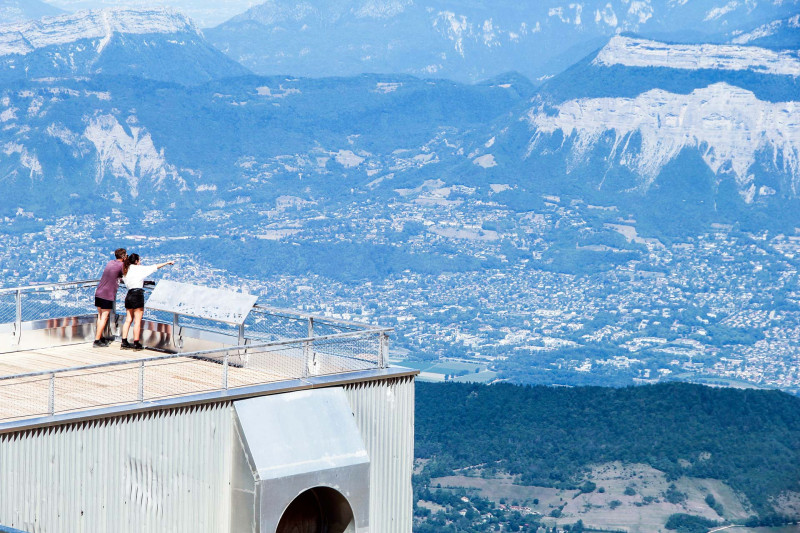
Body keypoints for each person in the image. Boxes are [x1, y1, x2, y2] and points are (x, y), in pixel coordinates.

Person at [120, 254, 175, 350]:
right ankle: (136, 342)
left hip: (129, 295)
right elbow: (155, 267)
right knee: (137, 321)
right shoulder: (140, 269)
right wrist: (167, 262)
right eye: (139, 260)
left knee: (128, 319)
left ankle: (124, 341)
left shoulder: (126, 269)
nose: (140, 261)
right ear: (136, 261)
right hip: (137, 295)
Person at [93, 248, 127, 348]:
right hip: (107, 294)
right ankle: (97, 341)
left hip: (99, 292)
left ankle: (100, 337)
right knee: (104, 317)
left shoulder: (110, 262)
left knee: (100, 316)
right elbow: (126, 275)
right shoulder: (122, 265)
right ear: (123, 256)